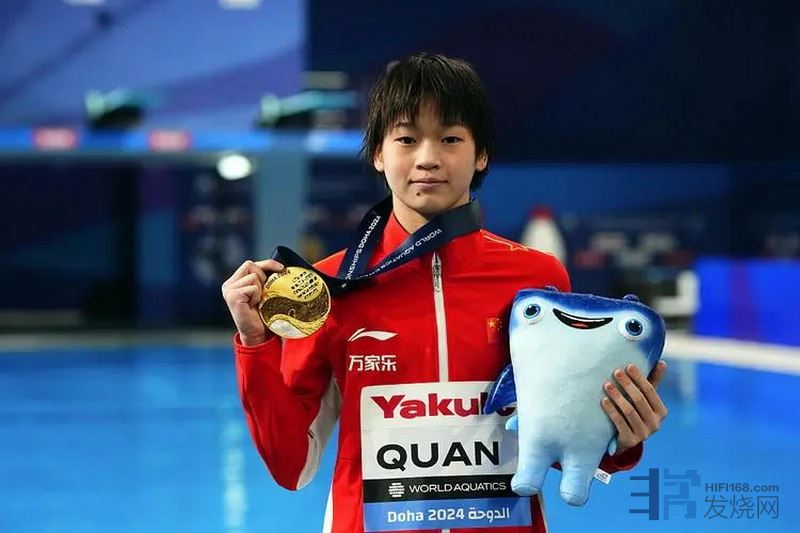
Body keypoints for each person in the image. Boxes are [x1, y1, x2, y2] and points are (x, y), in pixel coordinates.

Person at [222, 53, 668, 533]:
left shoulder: (537, 281)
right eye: (407, 139)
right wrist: (256, 344)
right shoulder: (330, 288)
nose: (428, 158)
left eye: (450, 138)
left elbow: (558, 438)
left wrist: (620, 436)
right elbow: (291, 465)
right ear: (378, 153)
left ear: (481, 154)